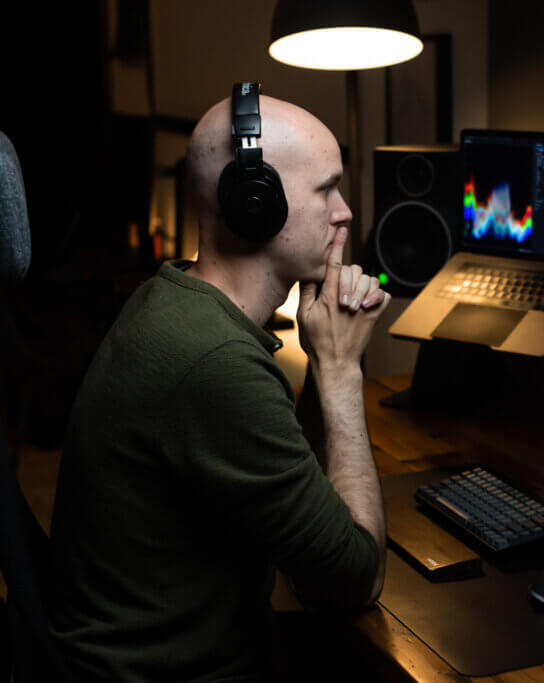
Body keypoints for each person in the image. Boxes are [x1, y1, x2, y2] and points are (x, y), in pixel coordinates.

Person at [47, 89, 391, 680]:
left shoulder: (171, 297)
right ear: (253, 205)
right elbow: (354, 578)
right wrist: (338, 372)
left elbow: (297, 492)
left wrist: (319, 350)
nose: (345, 213)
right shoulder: (213, 362)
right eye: (326, 190)